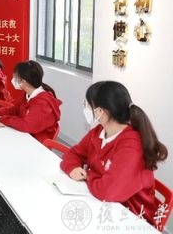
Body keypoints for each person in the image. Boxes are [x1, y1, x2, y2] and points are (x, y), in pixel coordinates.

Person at [60, 81, 168, 229]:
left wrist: (88, 174)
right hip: (103, 206)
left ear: (101, 111)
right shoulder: (98, 132)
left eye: (89, 105)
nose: (87, 109)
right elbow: (73, 153)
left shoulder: (132, 145)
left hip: (130, 219)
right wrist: (72, 168)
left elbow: (108, 191)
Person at [0, 60, 61, 143]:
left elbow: (27, 126)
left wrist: (5, 119)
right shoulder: (28, 93)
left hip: (35, 143)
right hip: (24, 135)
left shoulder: (42, 103)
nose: (13, 79)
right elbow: (15, 110)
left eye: (16, 77)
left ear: (24, 81)